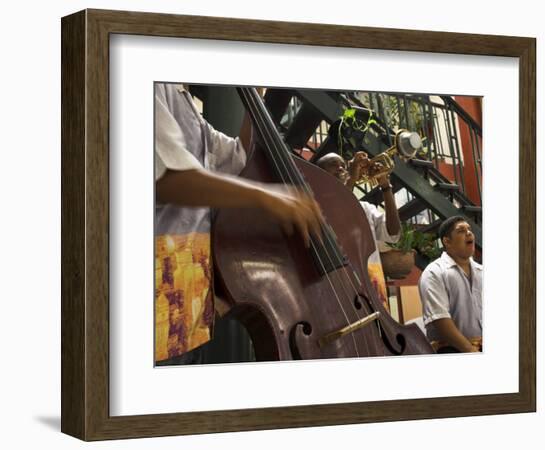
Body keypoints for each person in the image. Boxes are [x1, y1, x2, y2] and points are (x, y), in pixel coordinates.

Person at [155, 83, 322, 365]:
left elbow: (237, 156)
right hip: (156, 306)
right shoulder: (154, 84)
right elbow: (168, 177)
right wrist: (265, 197)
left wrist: (253, 94)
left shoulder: (188, 109)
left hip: (189, 314)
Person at [315, 151, 401, 308]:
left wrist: (385, 185)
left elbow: (393, 232)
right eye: (333, 165)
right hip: (343, 296)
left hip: (375, 293)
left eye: (343, 165)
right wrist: (353, 177)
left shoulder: (365, 208)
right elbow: (335, 216)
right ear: (319, 175)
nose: (341, 168)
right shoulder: (316, 206)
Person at [418, 216, 482, 353]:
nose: (469, 233)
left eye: (469, 229)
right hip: (451, 352)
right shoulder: (434, 272)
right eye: (461, 231)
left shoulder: (482, 271)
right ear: (447, 241)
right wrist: (470, 350)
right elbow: (440, 318)